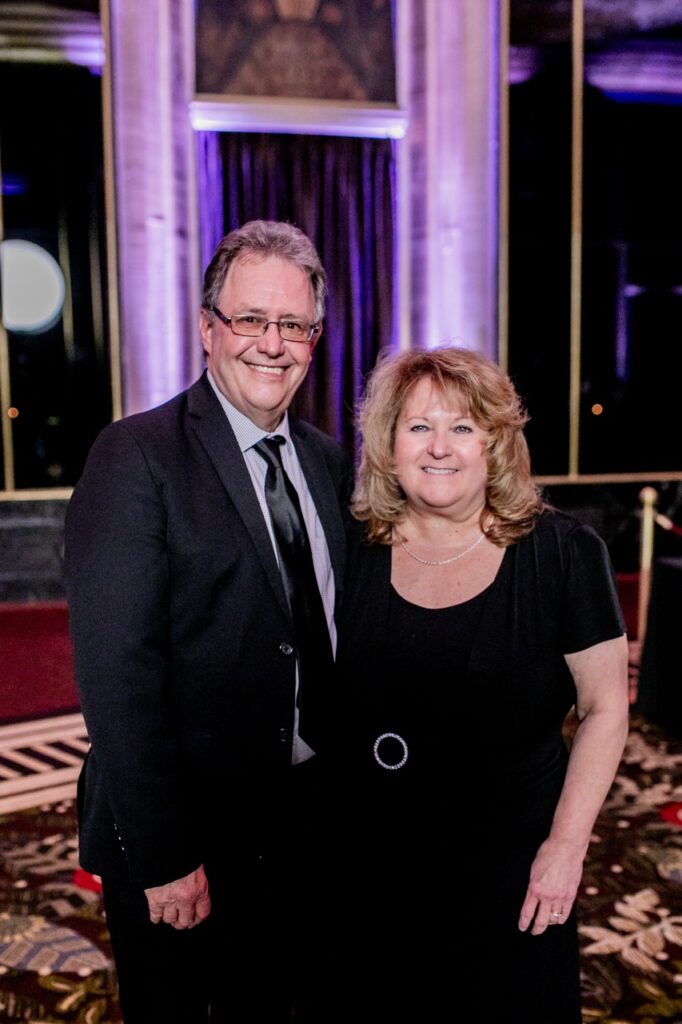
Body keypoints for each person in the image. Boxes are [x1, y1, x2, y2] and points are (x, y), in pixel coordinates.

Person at [64, 220, 350, 1023]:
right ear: (207, 329)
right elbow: (118, 679)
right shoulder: (136, 457)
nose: (272, 343)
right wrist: (165, 856)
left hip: (302, 823)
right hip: (188, 836)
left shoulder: (328, 461)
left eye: (293, 324)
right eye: (250, 319)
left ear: (315, 338)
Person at [327, 346, 629, 1024]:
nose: (440, 448)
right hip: (372, 865)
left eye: (462, 427)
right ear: (388, 444)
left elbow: (607, 708)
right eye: (418, 427)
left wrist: (566, 846)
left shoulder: (564, 554)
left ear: (494, 442)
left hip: (512, 868)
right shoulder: (352, 547)